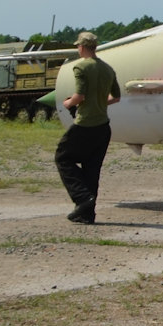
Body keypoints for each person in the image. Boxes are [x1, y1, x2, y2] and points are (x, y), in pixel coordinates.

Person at [55, 31, 121, 224]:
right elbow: (115, 97)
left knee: (63, 158)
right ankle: (87, 214)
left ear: (82, 47)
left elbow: (80, 96)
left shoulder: (81, 67)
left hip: (85, 124)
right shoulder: (108, 69)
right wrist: (99, 102)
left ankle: (82, 199)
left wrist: (68, 103)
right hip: (103, 127)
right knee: (92, 169)